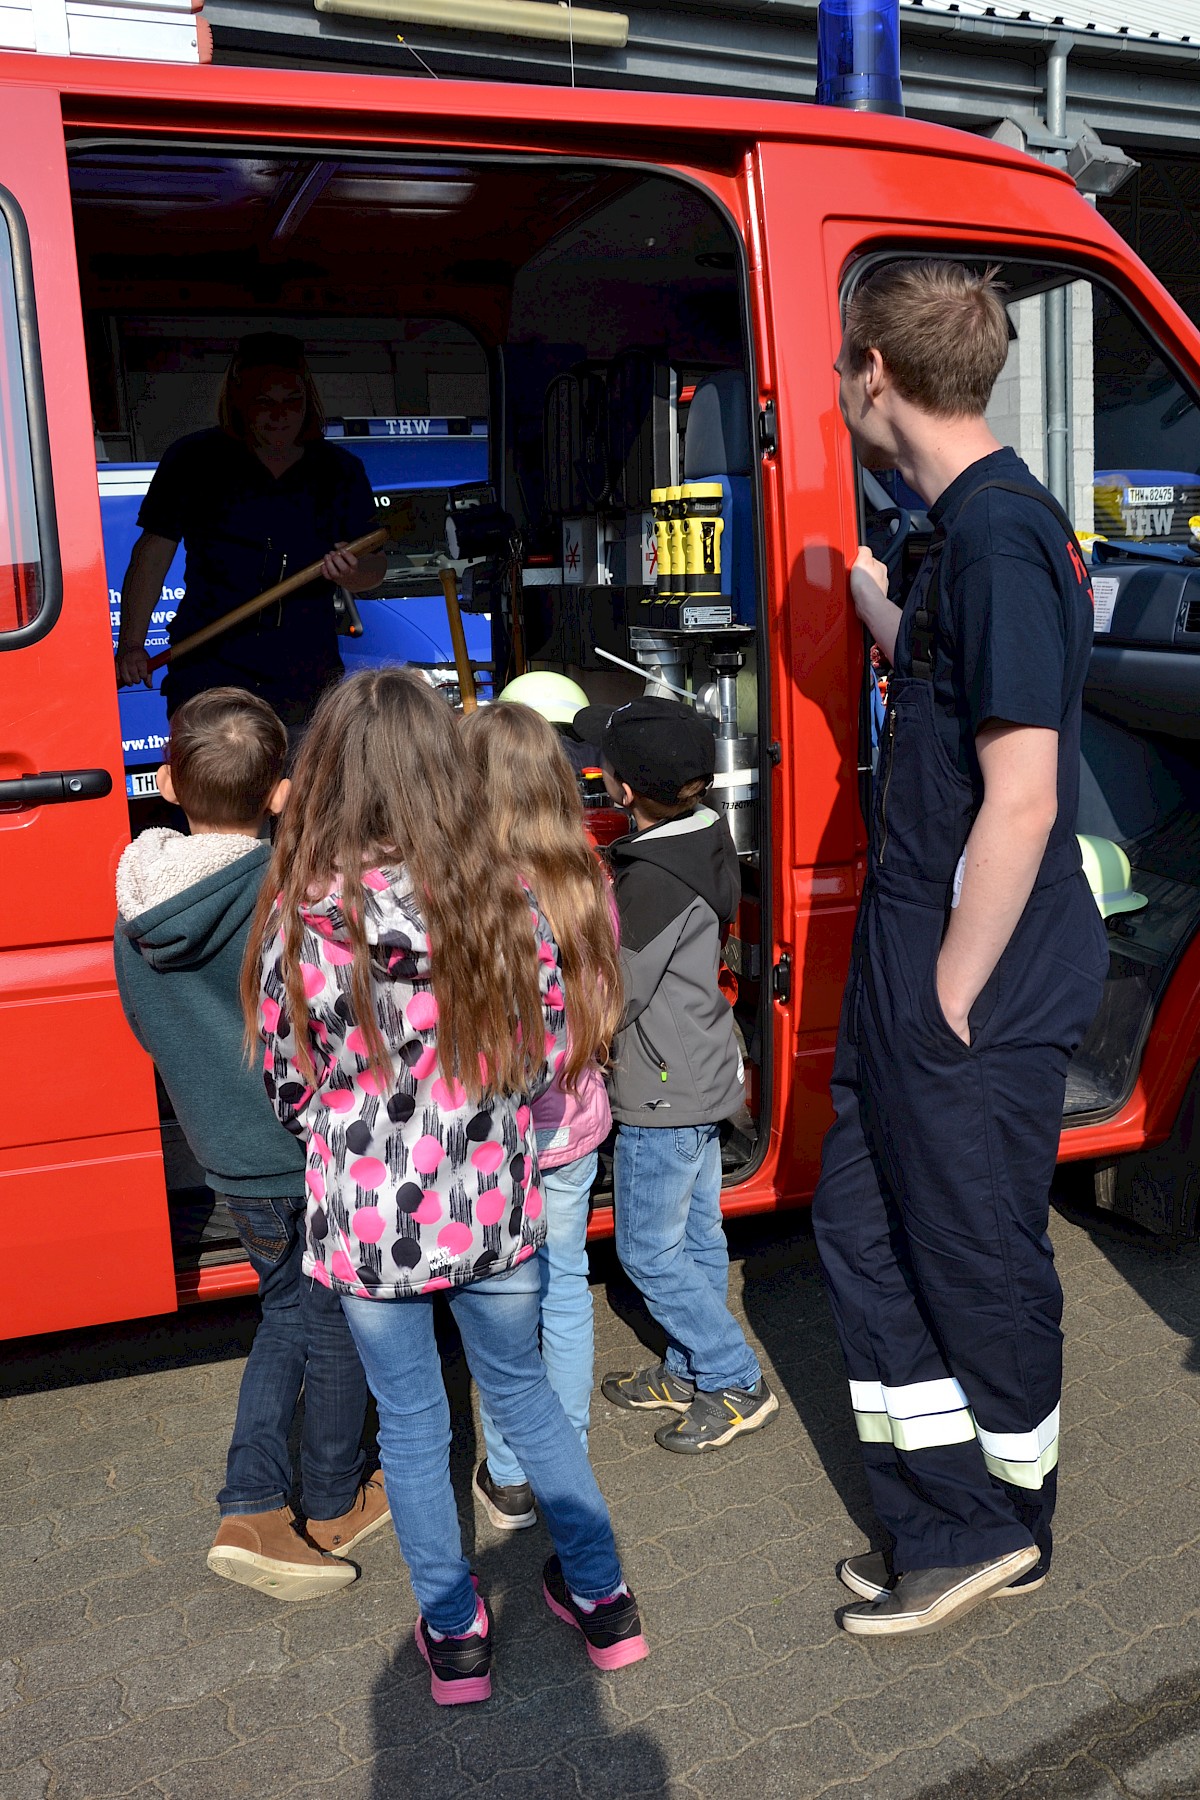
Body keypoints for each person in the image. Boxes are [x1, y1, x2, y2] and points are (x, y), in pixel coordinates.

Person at [243, 667, 647, 1705]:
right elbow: (550, 1050)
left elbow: (292, 1083)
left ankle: (457, 1637)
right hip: (493, 1206)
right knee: (525, 1398)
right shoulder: (500, 898)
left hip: (368, 1224)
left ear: (326, 772)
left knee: (415, 1424)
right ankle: (602, 1603)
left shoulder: (298, 916)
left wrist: (351, 1143)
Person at [811, 261, 1108, 1638]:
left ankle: (1004, 1526)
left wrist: (950, 990)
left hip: (969, 970)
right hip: (918, 947)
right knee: (866, 1227)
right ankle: (940, 1509)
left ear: (877, 371)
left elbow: (1026, 791)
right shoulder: (956, 539)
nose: (837, 387)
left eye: (837, 366)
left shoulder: (996, 538)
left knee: (973, 1248)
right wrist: (869, 602)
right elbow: (953, 679)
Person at [113, 688, 389, 1602]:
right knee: (336, 1322)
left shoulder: (134, 899)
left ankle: (257, 1502)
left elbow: (150, 1031)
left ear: (162, 780)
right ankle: (324, 1497)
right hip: (302, 1143)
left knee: (286, 1313)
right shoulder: (285, 888)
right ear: (281, 790)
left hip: (227, 1153)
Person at [575, 697, 778, 1454]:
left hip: (661, 1090)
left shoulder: (651, 879)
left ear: (625, 790)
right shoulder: (704, 833)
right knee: (695, 1237)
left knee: (646, 1252)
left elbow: (612, 997)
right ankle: (692, 1365)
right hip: (698, 1071)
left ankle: (733, 1379)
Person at [458, 701, 622, 1530]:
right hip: (577, 1128)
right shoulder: (587, 879)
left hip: (502, 1146)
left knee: (504, 1314)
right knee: (566, 1297)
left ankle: (514, 1474)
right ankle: (569, 1459)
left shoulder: (471, 894)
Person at [114, 332, 388, 732]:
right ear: (240, 400)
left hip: (306, 679)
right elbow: (154, 552)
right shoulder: (193, 460)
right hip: (209, 671)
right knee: (215, 792)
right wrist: (132, 644)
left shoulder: (340, 470)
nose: (280, 415)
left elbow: (374, 567)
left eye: (291, 401)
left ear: (307, 400)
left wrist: (353, 573)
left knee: (300, 795)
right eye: (265, 402)